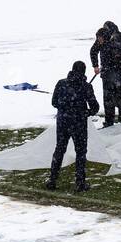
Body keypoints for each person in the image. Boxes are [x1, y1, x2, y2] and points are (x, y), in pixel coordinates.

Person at [47, 61, 100, 192]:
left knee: (59, 149)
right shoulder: (86, 87)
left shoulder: (61, 83)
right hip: (79, 124)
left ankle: (52, 179)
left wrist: (65, 108)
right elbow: (95, 107)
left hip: (63, 122)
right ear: (83, 72)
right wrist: (84, 112)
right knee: (80, 152)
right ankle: (80, 182)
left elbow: (54, 102)